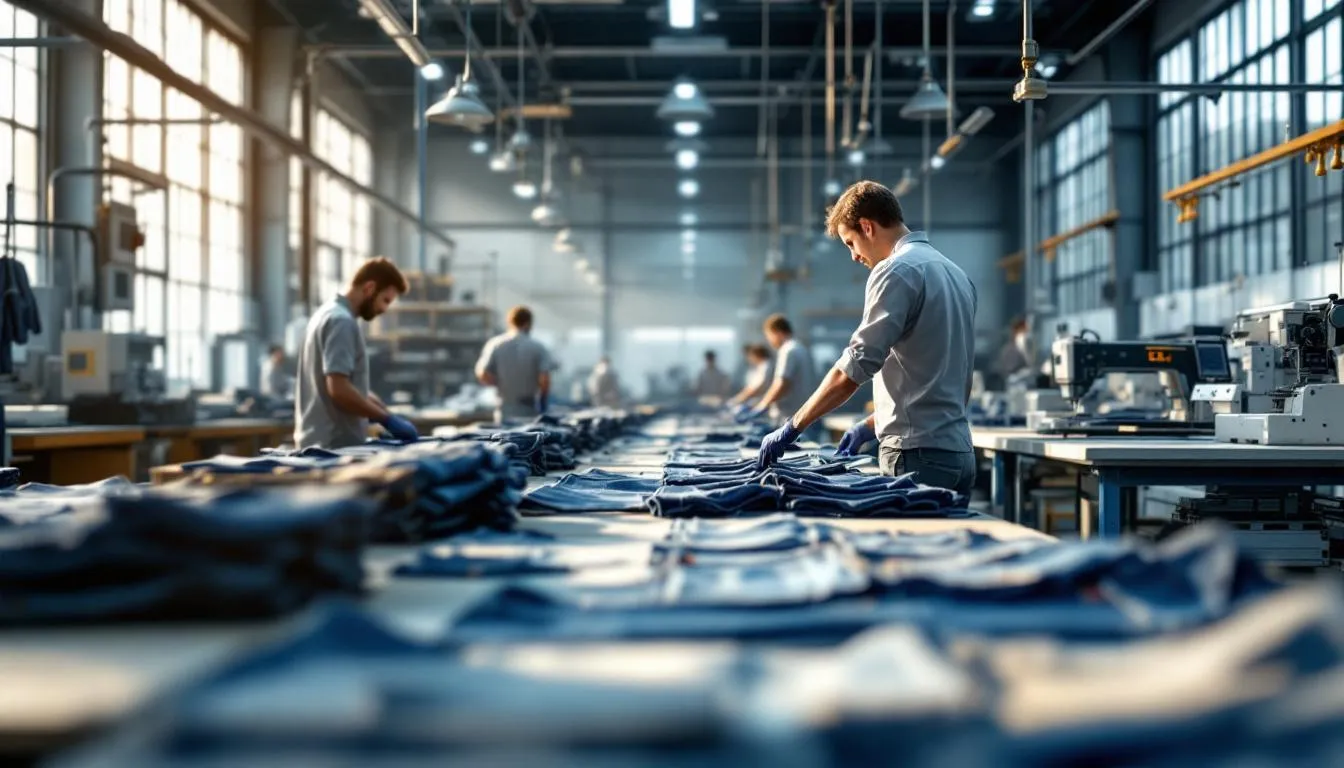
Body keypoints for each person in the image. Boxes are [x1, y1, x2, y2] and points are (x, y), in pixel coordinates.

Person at [755, 180, 979, 495]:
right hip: (959, 454)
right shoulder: (956, 274)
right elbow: (934, 378)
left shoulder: (895, 271)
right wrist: (872, 424)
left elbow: (855, 367)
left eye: (850, 243)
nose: (854, 256)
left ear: (867, 227)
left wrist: (792, 427)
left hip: (916, 455)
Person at [295, 257, 419, 449]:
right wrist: (386, 419)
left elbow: (347, 384)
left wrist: (383, 410)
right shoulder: (342, 322)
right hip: (334, 447)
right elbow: (339, 389)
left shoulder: (325, 314)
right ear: (370, 288)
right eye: (385, 300)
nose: (384, 309)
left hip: (319, 443)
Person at [743, 314, 819, 441]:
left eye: (769, 336)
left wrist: (762, 406)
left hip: (790, 419)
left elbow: (782, 384)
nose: (770, 341)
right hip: (801, 416)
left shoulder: (788, 350)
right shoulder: (801, 348)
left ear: (776, 332)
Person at [475, 305, 557, 422]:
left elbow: (481, 373)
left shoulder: (495, 344)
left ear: (510, 322)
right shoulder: (538, 347)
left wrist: (500, 384)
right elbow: (545, 379)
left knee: (503, 439)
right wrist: (543, 403)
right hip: (529, 409)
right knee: (527, 438)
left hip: (504, 408)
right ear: (528, 323)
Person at [726, 344, 774, 414]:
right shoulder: (760, 367)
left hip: (763, 404)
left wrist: (736, 400)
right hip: (758, 402)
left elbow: (756, 388)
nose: (749, 359)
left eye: (750, 356)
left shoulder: (767, 366)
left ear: (756, 355)